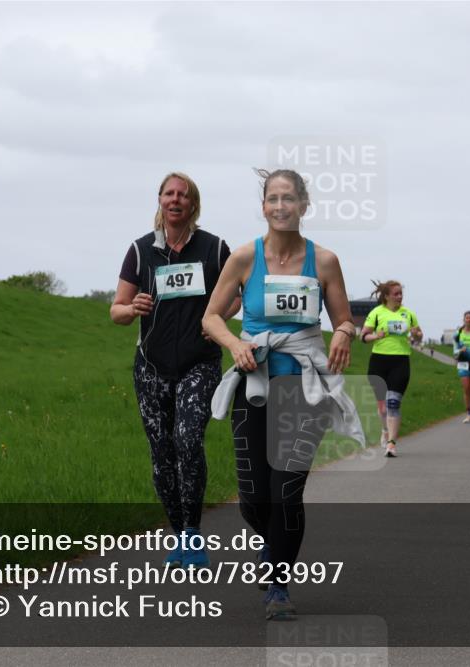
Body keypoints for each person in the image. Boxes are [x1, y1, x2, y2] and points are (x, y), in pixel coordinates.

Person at [203, 168, 363, 621]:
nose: (280, 206)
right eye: (272, 198)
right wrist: (235, 344)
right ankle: (273, 548)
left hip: (304, 388)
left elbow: (344, 318)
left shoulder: (325, 261)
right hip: (253, 385)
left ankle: (277, 585)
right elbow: (211, 317)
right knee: (254, 496)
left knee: (286, 492)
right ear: (263, 206)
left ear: (303, 205)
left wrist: (344, 333)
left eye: (288, 198)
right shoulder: (243, 259)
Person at [111, 172, 240, 570]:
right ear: (160, 201)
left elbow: (236, 298)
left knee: (187, 440)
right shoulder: (140, 250)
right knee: (161, 454)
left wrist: (215, 316)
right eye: (169, 193)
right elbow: (116, 309)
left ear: (193, 204)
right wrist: (132, 310)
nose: (176, 199)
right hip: (150, 368)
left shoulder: (215, 248)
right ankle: (177, 532)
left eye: (183, 194)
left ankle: (193, 533)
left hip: (199, 364)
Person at [361, 280, 423, 457]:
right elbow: (363, 337)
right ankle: (384, 430)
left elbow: (418, 336)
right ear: (386, 296)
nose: (400, 296)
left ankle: (391, 444)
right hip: (379, 361)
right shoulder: (377, 313)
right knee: (382, 408)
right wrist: (376, 336)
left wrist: (417, 335)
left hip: (400, 361)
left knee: (393, 403)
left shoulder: (408, 314)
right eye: (396, 294)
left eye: (401, 293)